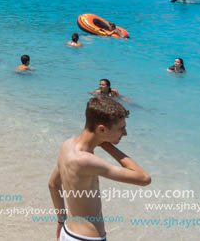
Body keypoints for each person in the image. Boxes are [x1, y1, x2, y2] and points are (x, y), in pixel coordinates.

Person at [48, 97, 151, 241]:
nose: (125, 133)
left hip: (68, 231)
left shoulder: (67, 146)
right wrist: (108, 146)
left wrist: (60, 220)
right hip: (86, 238)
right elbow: (144, 178)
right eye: (121, 128)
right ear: (101, 129)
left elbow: (53, 185)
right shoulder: (86, 160)